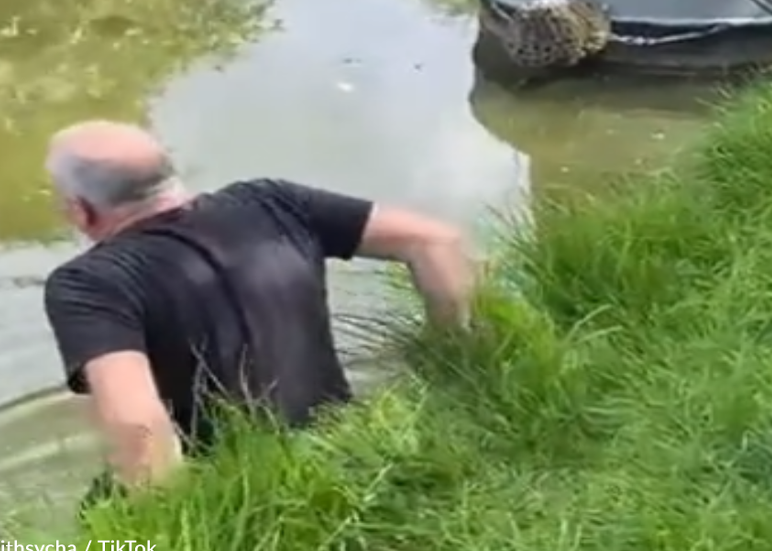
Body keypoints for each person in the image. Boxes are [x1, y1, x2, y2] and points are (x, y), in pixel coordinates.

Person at [41, 120, 474, 502]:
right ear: (169, 175)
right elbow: (436, 242)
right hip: (350, 457)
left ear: (80, 210)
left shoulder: (89, 283)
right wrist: (450, 359)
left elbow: (139, 427)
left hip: (233, 492)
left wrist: (175, 534)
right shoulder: (273, 201)